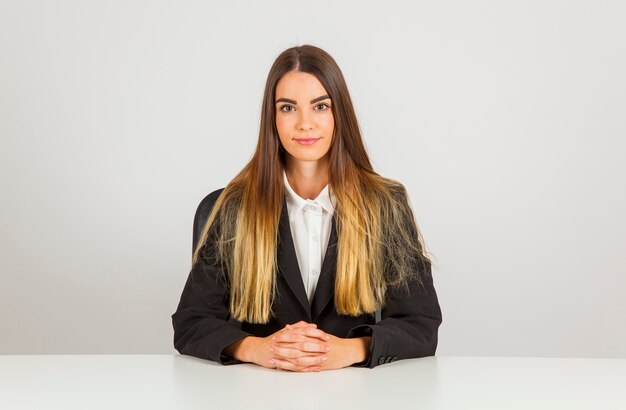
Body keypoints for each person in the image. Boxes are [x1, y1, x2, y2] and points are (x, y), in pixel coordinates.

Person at [171, 44, 442, 372]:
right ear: (272, 117)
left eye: (320, 106)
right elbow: (191, 322)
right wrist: (260, 349)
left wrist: (352, 350)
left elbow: (420, 323)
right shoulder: (232, 208)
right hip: (255, 390)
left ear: (338, 112)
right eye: (288, 108)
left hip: (358, 393)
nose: (305, 124)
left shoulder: (385, 205)